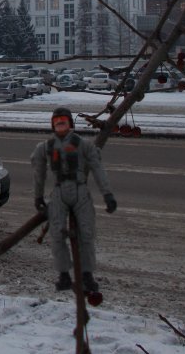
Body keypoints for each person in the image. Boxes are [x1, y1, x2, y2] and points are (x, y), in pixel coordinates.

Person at [31, 106, 117, 293]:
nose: (60, 125)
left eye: (63, 121)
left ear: (70, 124)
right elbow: (39, 172)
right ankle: (64, 275)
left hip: (80, 190)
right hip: (59, 192)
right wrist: (38, 196)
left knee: (86, 234)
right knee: (57, 234)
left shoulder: (83, 144)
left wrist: (107, 194)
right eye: (57, 122)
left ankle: (87, 274)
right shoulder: (46, 146)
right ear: (52, 125)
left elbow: (97, 168)